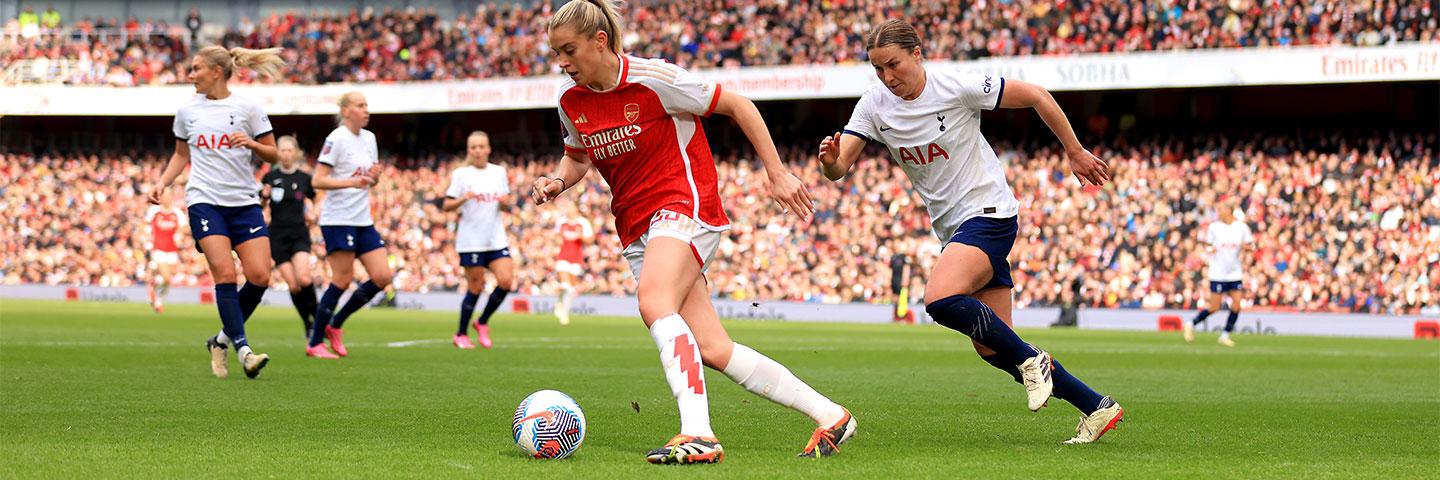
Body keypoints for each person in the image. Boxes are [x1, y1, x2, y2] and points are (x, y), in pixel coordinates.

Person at [534, 0, 854, 464]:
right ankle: (831, 415)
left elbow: (738, 104)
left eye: (569, 50)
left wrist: (777, 172)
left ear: (599, 41)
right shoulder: (571, 102)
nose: (562, 63)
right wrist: (558, 181)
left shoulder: (654, 79)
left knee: (654, 303)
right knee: (712, 347)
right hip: (634, 224)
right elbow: (578, 157)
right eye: (556, 53)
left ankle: (698, 433)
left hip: (684, 203)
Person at [816, 19, 1123, 444]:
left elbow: (1036, 95)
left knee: (940, 300)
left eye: (894, 64)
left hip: (989, 214)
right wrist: (829, 160)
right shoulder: (873, 105)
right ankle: (1096, 407)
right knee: (995, 347)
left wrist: (1073, 150)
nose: (887, 77)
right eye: (878, 69)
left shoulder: (956, 85)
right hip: (953, 229)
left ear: (917, 54)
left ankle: (1034, 360)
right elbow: (838, 169)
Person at [147, 45, 286, 379]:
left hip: (244, 202)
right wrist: (163, 182)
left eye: (196, 69)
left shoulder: (248, 108)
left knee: (260, 276)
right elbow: (181, 155)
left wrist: (252, 145)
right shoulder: (186, 112)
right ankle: (244, 350)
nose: (190, 75)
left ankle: (220, 340)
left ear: (217, 72)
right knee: (225, 275)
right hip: (205, 200)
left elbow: (274, 154)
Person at [305, 91, 393, 359]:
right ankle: (315, 341)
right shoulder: (336, 139)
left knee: (382, 277)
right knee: (341, 280)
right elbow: (318, 180)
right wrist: (350, 182)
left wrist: (374, 177)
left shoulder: (370, 139)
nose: (366, 109)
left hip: (362, 219)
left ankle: (336, 324)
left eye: (367, 104)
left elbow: (369, 180)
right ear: (345, 111)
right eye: (360, 105)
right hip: (338, 219)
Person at [441, 131, 515, 349]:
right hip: (471, 240)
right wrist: (464, 198)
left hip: (495, 238)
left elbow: (506, 204)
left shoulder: (498, 172)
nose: (478, 151)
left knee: (506, 281)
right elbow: (446, 205)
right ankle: (461, 334)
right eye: (474, 147)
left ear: (489, 149)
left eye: (482, 146)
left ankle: (482, 322)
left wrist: (504, 202)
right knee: (476, 286)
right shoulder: (462, 174)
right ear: (469, 150)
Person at [261, 135, 318, 337]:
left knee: (304, 278)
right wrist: (264, 197)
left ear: (296, 153)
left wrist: (314, 212)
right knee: (293, 286)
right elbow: (261, 206)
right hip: (277, 236)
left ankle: (319, 319)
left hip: (298, 234)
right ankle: (307, 323)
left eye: (289, 150)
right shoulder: (270, 177)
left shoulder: (304, 178)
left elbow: (317, 198)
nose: (285, 154)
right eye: (282, 150)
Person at [1183, 200, 1253, 346]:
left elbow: (1250, 245)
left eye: (1221, 210)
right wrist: (1210, 250)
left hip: (1234, 272)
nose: (1218, 213)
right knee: (1215, 307)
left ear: (1229, 211)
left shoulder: (1241, 227)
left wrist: (1245, 247)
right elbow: (1208, 246)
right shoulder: (1214, 227)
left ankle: (1225, 335)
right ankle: (1191, 323)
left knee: (1237, 305)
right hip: (1218, 273)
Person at [553, 202, 593, 325]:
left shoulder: (583, 222)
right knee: (565, 285)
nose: (568, 209)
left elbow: (590, 240)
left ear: (576, 209)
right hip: (563, 256)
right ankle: (563, 313)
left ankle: (563, 308)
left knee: (570, 288)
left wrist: (581, 236)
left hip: (577, 258)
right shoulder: (561, 222)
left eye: (570, 206)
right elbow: (556, 237)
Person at [144, 190, 185, 313]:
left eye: (168, 196)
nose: (166, 198)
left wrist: (180, 236)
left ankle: (155, 290)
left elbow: (183, 228)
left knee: (167, 279)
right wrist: (146, 238)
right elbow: (145, 225)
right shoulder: (154, 211)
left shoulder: (177, 213)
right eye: (164, 196)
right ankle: (158, 300)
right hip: (158, 248)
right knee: (167, 278)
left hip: (172, 249)